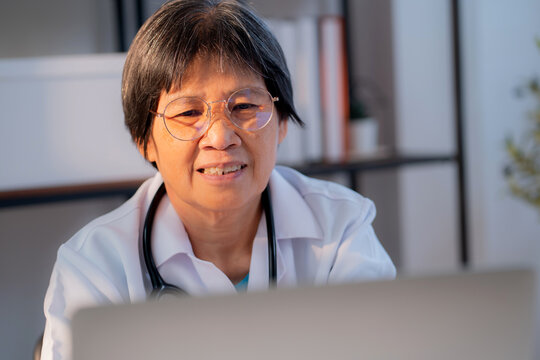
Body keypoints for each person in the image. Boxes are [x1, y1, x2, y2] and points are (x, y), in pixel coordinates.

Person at [40, 0, 396, 359]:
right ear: (143, 140)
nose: (220, 136)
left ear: (283, 122)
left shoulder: (340, 230)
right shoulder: (95, 266)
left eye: (244, 106)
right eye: (189, 112)